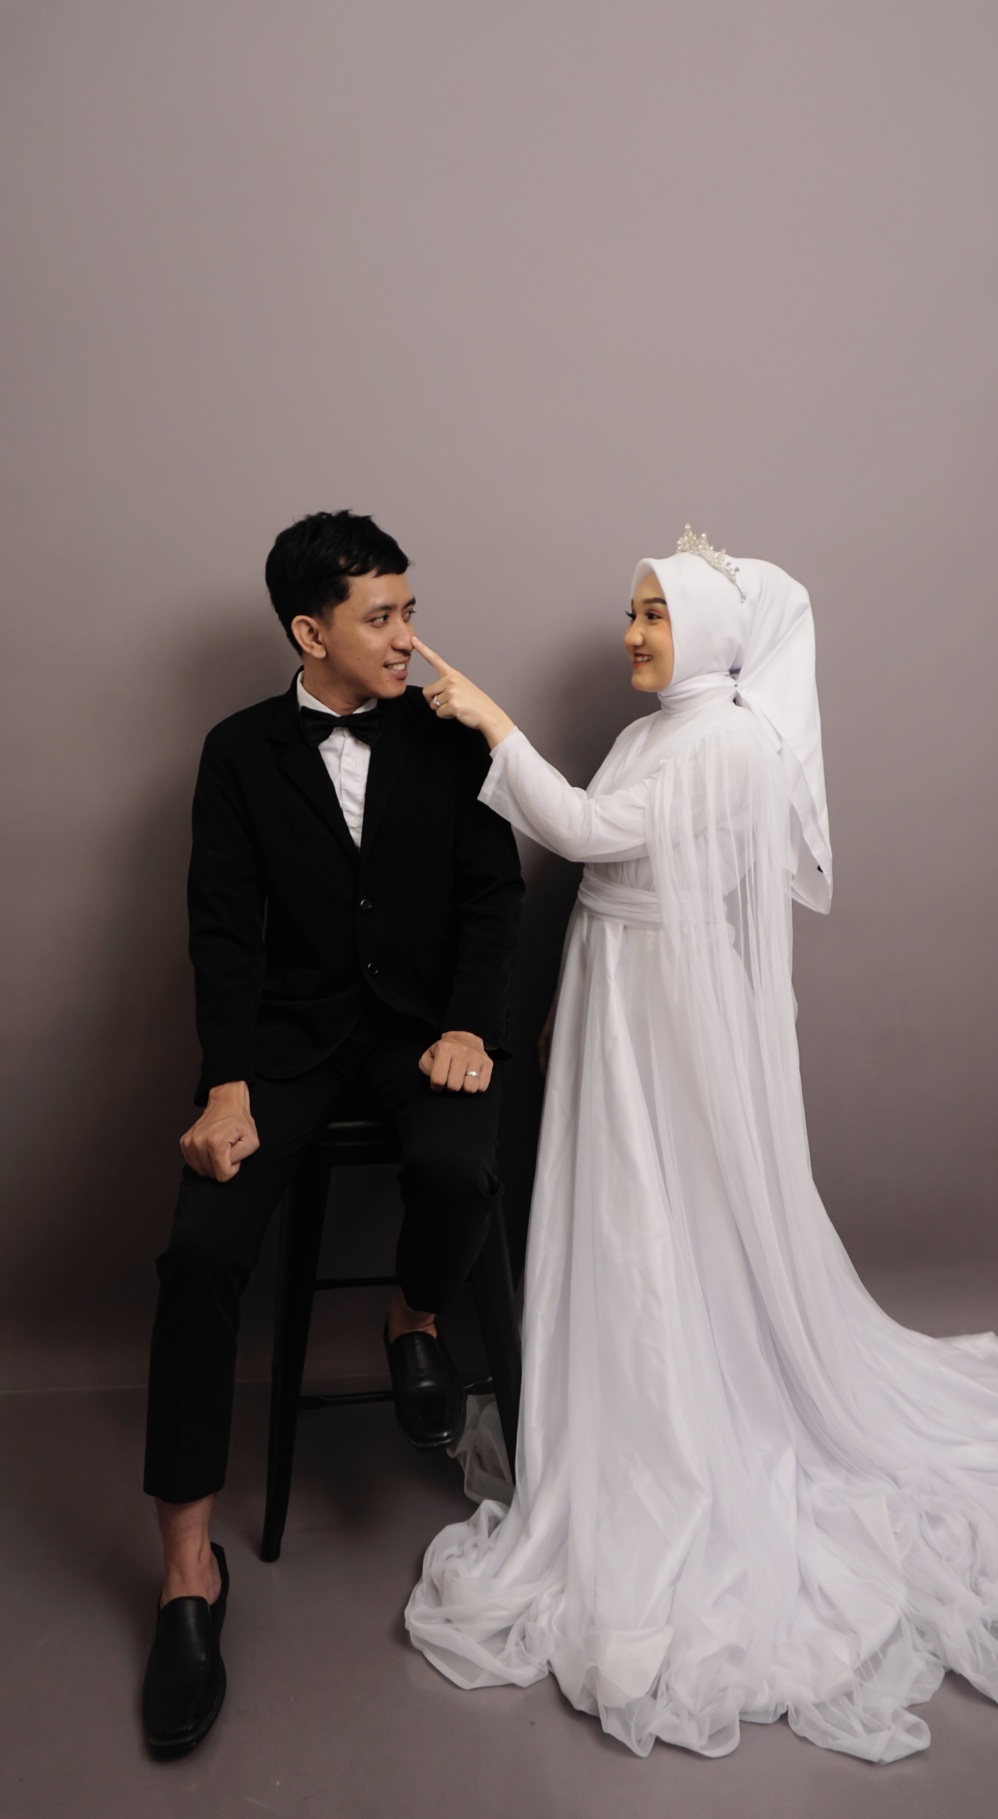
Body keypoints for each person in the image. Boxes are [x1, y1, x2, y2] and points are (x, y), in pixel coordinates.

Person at [404, 529, 998, 1763]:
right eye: (631, 612)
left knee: (656, 1209)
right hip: (618, 987)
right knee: (621, 1205)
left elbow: (586, 832)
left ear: (712, 634)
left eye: (655, 615)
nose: (632, 634)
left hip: (665, 1012)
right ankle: (618, 1397)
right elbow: (611, 872)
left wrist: (491, 721)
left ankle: (676, 1418)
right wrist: (563, 993)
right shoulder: (660, 729)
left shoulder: (731, 740)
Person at [141, 510, 524, 1756]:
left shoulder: (447, 732)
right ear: (311, 633)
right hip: (288, 1048)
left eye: (411, 610)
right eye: (382, 617)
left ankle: (412, 1318)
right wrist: (226, 1085)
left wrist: (469, 1025)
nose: (409, 636)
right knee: (201, 1250)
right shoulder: (237, 752)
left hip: (420, 1033)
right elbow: (221, 930)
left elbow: (494, 894)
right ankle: (187, 1577)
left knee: (456, 1167)